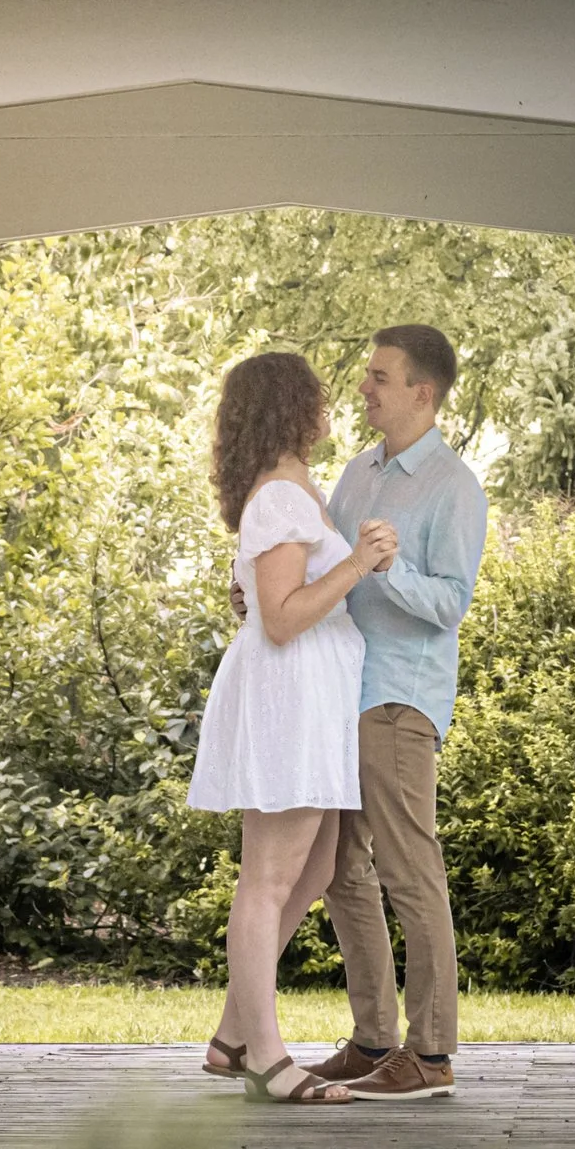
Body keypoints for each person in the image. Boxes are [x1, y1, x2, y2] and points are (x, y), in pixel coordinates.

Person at [188, 351, 397, 1105]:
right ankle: (268, 1058)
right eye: (317, 397)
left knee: (309, 872)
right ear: (291, 406)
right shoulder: (278, 496)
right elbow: (280, 620)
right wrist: (359, 564)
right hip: (290, 696)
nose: (330, 407)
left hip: (318, 700)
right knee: (269, 878)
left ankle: (230, 1033)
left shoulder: (289, 487)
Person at [310, 325, 488, 1101]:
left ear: (423, 391)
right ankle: (375, 1038)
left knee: (410, 870)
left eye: (379, 377)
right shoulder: (357, 474)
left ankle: (433, 1053)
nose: (364, 388)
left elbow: (449, 603)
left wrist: (391, 566)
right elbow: (326, 569)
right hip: (338, 693)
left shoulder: (454, 487)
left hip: (398, 699)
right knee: (338, 868)